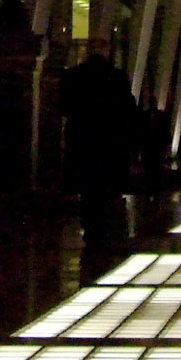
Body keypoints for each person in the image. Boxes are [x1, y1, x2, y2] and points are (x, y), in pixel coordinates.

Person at [59, 39, 140, 247]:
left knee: (88, 189)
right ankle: (104, 229)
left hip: (83, 141)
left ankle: (90, 228)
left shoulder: (74, 75)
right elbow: (128, 110)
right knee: (108, 187)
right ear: (105, 52)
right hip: (110, 143)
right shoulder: (117, 77)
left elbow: (63, 106)